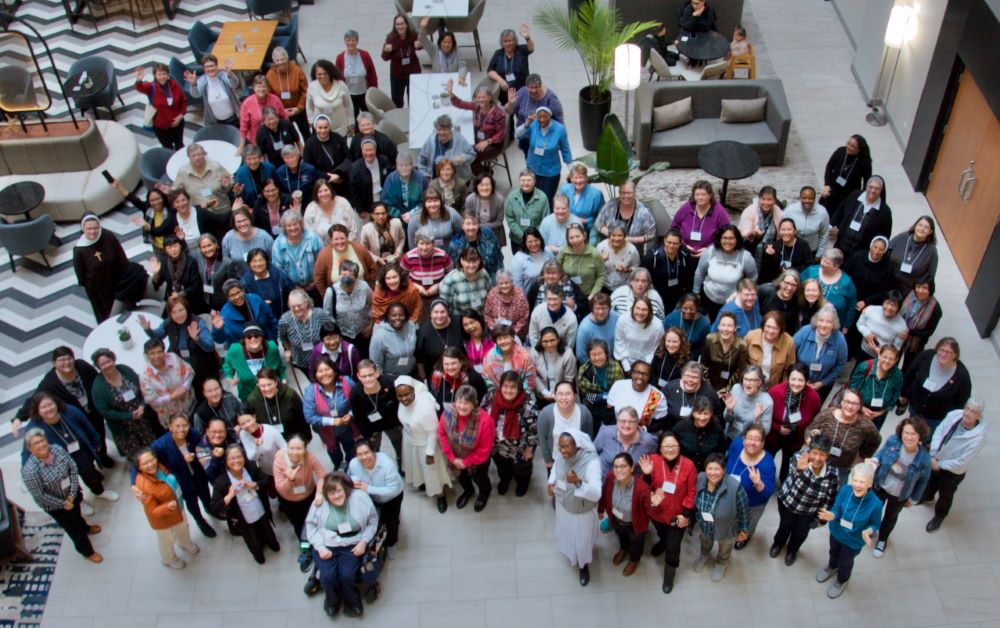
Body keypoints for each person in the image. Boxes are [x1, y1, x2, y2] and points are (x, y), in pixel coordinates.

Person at [22, 431, 103, 562]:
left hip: (71, 493)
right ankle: (87, 551)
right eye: (36, 443)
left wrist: (71, 494)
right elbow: (40, 496)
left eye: (42, 440)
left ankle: (86, 528)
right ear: (30, 448)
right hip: (56, 506)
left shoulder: (57, 449)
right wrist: (64, 503)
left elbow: (73, 467)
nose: (41, 444)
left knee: (77, 515)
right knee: (73, 528)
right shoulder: (29, 471)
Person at [305, 473, 379, 618]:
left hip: (353, 543)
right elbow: (310, 526)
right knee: (327, 577)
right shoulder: (319, 504)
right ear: (326, 494)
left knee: (347, 576)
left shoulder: (360, 498)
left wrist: (364, 542)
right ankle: (332, 601)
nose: (336, 496)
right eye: (331, 493)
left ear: (345, 489)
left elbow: (373, 520)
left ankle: (353, 602)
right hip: (327, 544)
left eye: (339, 491)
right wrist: (320, 547)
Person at [769, 433, 838, 566]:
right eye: (815, 453)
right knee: (784, 526)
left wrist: (821, 519)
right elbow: (795, 478)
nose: (817, 458)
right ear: (809, 451)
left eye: (822, 454)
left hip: (809, 511)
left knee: (800, 533)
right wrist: (800, 470)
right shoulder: (799, 457)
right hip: (790, 503)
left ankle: (792, 551)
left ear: (828, 455)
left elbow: (830, 497)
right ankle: (778, 544)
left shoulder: (832, 474)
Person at [143, 414, 217, 537]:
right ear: (170, 427)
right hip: (181, 481)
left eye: (184, 425)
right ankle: (200, 521)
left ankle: (210, 509)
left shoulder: (193, 434)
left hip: (199, 475)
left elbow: (203, 446)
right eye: (177, 426)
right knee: (192, 502)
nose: (181, 429)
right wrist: (134, 484)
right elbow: (143, 459)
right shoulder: (160, 445)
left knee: (205, 494)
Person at [816, 462, 882, 599]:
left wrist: (868, 531)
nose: (857, 485)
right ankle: (831, 566)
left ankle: (842, 580)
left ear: (869, 484)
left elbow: (876, 524)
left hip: (853, 541)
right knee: (833, 552)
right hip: (836, 532)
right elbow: (836, 508)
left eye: (862, 482)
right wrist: (832, 515)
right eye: (855, 480)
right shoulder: (846, 490)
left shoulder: (876, 504)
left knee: (845, 562)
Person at [868, 417, 931, 558]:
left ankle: (882, 539)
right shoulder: (892, 441)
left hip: (900, 494)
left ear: (920, 436)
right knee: (874, 509)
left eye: (913, 434)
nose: (908, 437)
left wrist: (913, 499)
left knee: (890, 517)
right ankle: (871, 529)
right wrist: (875, 460)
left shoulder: (924, 460)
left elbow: (923, 481)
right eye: (906, 433)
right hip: (881, 484)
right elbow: (882, 452)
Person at [922, 399, 986, 532]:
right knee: (932, 481)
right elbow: (939, 431)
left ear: (978, 416)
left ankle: (939, 516)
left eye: (972, 411)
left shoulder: (978, 438)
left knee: (946, 495)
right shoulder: (954, 415)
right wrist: (933, 453)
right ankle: (928, 497)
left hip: (952, 471)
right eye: (967, 408)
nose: (967, 413)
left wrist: (939, 464)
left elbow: (962, 461)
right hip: (937, 459)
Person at [211, 445, 281, 564]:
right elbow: (214, 507)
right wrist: (229, 495)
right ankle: (258, 554)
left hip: (261, 510)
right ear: (226, 462)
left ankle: (272, 544)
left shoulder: (252, 467)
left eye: (239, 457)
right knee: (251, 537)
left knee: (267, 529)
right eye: (232, 458)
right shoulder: (221, 481)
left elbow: (265, 481)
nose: (236, 460)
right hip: (242, 517)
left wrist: (254, 484)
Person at [549, 429, 601, 586]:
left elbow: (596, 494)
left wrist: (578, 482)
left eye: (566, 447)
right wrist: (550, 482)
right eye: (560, 446)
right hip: (563, 506)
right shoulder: (562, 455)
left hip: (581, 513)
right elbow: (555, 469)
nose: (562, 451)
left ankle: (583, 566)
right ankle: (571, 553)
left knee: (582, 542)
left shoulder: (592, 463)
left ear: (577, 446)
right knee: (567, 534)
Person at [133, 447, 200, 569]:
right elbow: (152, 512)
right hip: (164, 519)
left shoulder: (161, 467)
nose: (150, 464)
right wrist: (167, 507)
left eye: (151, 460)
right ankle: (169, 559)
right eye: (145, 463)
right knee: (166, 541)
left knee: (183, 527)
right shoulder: (144, 485)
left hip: (178, 508)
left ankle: (184, 543)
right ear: (139, 467)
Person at [73, 215, 149, 323]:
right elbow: (80, 273)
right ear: (83, 229)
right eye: (89, 229)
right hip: (99, 289)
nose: (93, 231)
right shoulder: (80, 249)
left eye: (95, 228)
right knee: (108, 313)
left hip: (117, 278)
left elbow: (121, 256)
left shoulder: (107, 236)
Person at [90, 349, 158, 461]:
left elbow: (142, 387)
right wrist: (129, 415)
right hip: (124, 427)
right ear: (98, 367)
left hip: (143, 418)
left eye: (109, 361)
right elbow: (104, 411)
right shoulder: (98, 387)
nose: (107, 365)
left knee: (153, 447)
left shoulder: (124, 369)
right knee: (137, 457)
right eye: (103, 364)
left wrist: (142, 405)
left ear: (113, 359)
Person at [693, 453, 750, 583]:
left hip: (727, 528)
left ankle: (721, 564)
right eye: (710, 469)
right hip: (705, 524)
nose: (713, 473)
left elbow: (744, 510)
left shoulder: (735, 487)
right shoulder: (700, 478)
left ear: (724, 470)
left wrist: (744, 530)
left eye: (717, 469)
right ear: (705, 469)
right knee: (705, 541)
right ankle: (704, 555)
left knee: (725, 548)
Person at [437, 384, 495, 512]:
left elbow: (484, 450)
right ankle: (468, 491)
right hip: (455, 458)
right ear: (455, 401)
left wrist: (465, 462)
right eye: (460, 401)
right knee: (462, 478)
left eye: (467, 403)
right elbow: (441, 434)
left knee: (480, 479)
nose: (462, 406)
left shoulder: (485, 421)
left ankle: (483, 494)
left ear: (474, 404)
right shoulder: (447, 413)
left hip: (477, 462)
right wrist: (453, 458)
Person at [480, 371, 537, 497]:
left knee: (522, 470)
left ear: (519, 388)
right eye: (505, 386)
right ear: (500, 386)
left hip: (520, 448)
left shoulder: (527, 405)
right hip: (498, 447)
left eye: (513, 387)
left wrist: (529, 448)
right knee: (502, 468)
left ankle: (522, 483)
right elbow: (481, 417)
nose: (508, 390)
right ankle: (505, 480)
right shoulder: (490, 398)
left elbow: (534, 429)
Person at [898, 337, 972, 433]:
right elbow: (910, 373)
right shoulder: (926, 356)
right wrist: (903, 394)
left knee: (927, 437)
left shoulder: (962, 375)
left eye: (948, 352)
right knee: (912, 430)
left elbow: (962, 400)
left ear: (955, 355)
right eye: (941, 350)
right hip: (916, 408)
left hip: (935, 418)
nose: (943, 354)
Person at [810, 388, 882, 485]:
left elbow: (876, 439)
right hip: (818, 461)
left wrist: (863, 456)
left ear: (860, 406)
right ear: (841, 402)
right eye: (847, 401)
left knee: (835, 496)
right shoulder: (827, 414)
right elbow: (810, 429)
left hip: (842, 469)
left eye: (855, 403)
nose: (850, 406)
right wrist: (810, 442)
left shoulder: (865, 424)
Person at [766, 363, 822, 482]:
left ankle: (784, 482)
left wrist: (810, 435)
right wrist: (777, 427)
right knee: (767, 461)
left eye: (800, 380)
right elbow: (765, 416)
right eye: (793, 379)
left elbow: (816, 420)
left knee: (788, 464)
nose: (796, 383)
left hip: (796, 438)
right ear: (788, 379)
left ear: (806, 381)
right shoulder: (774, 392)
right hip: (774, 435)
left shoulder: (813, 397)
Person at [599, 452, 651, 578]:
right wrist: (600, 509)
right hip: (616, 520)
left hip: (635, 524)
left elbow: (649, 509)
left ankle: (634, 559)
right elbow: (605, 492)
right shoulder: (611, 477)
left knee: (636, 543)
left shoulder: (641, 487)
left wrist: (654, 503)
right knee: (621, 536)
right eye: (616, 466)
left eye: (623, 466)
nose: (618, 470)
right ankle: (623, 549)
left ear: (632, 468)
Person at [724, 425, 776, 548]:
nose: (752, 442)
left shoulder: (767, 464)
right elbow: (727, 459)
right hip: (731, 496)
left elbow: (768, 491)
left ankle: (744, 538)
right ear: (744, 439)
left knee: (748, 524)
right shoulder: (737, 445)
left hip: (752, 504)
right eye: (749, 438)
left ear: (763, 443)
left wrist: (758, 483)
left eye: (757, 439)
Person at [349, 441, 403, 554]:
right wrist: (355, 482)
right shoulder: (354, 464)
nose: (363, 457)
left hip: (391, 498)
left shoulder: (386, 464)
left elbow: (392, 490)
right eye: (359, 454)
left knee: (391, 521)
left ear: (374, 452)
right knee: (374, 520)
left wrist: (368, 488)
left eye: (366, 452)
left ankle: (391, 543)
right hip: (371, 498)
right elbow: (351, 476)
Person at [693, 225, 757, 321]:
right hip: (709, 298)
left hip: (732, 301)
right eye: (725, 238)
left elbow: (753, 277)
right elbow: (699, 272)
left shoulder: (745, 257)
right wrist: (696, 292)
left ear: (737, 239)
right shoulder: (710, 252)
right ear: (720, 239)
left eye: (731, 238)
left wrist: (742, 294)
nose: (728, 241)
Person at [304, 356, 356, 470]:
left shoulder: (347, 382)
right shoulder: (310, 391)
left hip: (348, 427)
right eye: (320, 371)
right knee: (334, 453)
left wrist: (351, 414)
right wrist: (333, 421)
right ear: (315, 374)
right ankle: (338, 466)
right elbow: (309, 417)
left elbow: (358, 402)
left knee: (352, 451)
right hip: (326, 432)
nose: (324, 374)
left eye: (327, 369)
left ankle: (352, 468)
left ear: (334, 370)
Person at [273, 434, 327, 540]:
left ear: (305, 449)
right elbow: (280, 488)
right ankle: (305, 547)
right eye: (291, 448)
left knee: (316, 521)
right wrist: (290, 480)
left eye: (299, 448)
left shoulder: (309, 457)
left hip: (310, 495)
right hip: (290, 502)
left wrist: (319, 492)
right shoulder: (279, 462)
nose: (294, 452)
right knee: (299, 526)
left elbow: (322, 474)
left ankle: (319, 543)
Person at [348, 360, 403, 463]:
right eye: (364, 376)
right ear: (358, 376)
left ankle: (401, 461)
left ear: (377, 373)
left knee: (398, 442)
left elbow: (398, 404)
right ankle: (377, 464)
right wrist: (367, 435)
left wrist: (400, 423)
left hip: (391, 421)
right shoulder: (355, 394)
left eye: (370, 375)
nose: (368, 379)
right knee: (374, 447)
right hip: (372, 426)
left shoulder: (389, 383)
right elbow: (359, 418)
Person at [446, 81, 506, 176]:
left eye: (483, 97)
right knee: (463, 149)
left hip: (493, 144)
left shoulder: (498, 113)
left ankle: (483, 175)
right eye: (478, 97)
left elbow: (501, 134)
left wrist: (487, 142)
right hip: (479, 139)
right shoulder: (476, 105)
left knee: (469, 155)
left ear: (490, 98)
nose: (480, 100)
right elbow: (461, 104)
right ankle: (483, 171)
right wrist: (451, 94)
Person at [792, 305, 848, 402]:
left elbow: (840, 364)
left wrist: (822, 383)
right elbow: (790, 352)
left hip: (823, 386)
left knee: (814, 410)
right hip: (798, 381)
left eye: (828, 322)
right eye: (821, 320)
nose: (824, 325)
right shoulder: (805, 331)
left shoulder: (839, 339)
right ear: (816, 321)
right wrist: (799, 376)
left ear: (834, 324)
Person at [517, 106, 572, 204]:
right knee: (532, 199)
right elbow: (517, 135)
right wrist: (526, 124)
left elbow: (565, 150)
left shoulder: (560, 129)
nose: (542, 119)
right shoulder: (533, 124)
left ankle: (547, 218)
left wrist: (572, 170)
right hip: (532, 169)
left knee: (546, 200)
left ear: (550, 116)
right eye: (539, 117)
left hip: (550, 172)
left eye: (545, 117)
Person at [831, 175, 893, 261]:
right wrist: (832, 225)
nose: (873, 190)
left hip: (861, 253)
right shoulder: (855, 195)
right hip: (841, 245)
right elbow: (841, 210)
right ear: (866, 186)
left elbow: (884, 235)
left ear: (881, 191)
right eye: (870, 187)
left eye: (877, 188)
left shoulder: (885, 211)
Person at [843, 237, 895, 332]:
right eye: (875, 247)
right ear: (870, 246)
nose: (876, 251)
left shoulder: (888, 267)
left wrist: (866, 302)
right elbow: (845, 276)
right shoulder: (857, 256)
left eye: (881, 249)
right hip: (850, 297)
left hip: (870, 304)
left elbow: (885, 290)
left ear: (885, 252)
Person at [222, 324, 285, 401]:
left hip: (270, 392)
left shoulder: (272, 348)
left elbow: (280, 365)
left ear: (261, 337)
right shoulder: (235, 350)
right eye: (249, 337)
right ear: (244, 339)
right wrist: (229, 376)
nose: (253, 339)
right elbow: (227, 364)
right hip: (248, 396)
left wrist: (283, 379)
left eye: (256, 335)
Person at [312, 224, 377, 297]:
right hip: (338, 298)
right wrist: (327, 296)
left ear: (347, 238)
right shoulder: (324, 255)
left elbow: (372, 268)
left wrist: (370, 287)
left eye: (342, 238)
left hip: (363, 294)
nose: (340, 242)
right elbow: (318, 278)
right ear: (331, 240)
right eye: (336, 239)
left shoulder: (359, 249)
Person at [505, 73, 564, 153]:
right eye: (531, 88)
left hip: (543, 136)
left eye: (536, 87)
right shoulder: (522, 92)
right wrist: (510, 103)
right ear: (526, 87)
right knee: (529, 158)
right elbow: (508, 111)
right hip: (524, 134)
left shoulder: (551, 98)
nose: (534, 90)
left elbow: (560, 121)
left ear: (541, 86)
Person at [245, 368, 310, 439]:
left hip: (292, 439)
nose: (267, 389)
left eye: (269, 384)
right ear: (258, 385)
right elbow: (250, 423)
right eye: (262, 386)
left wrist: (305, 438)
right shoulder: (252, 400)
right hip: (268, 442)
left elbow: (302, 418)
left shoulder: (290, 395)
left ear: (276, 382)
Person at [279, 288, 333, 373]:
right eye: (293, 306)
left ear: (306, 302)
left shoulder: (319, 314)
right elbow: (283, 337)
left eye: (299, 305)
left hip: (322, 358)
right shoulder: (285, 320)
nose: (296, 309)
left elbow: (331, 331)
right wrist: (287, 350)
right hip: (300, 360)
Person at [211, 279, 279, 346]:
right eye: (232, 295)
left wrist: (273, 341)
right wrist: (218, 329)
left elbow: (272, 321)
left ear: (243, 290)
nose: (237, 297)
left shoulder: (256, 299)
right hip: (242, 352)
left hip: (266, 343)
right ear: (227, 297)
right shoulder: (225, 314)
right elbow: (220, 340)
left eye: (238, 292)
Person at [671, 180, 730, 258]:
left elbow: (727, 235)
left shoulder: (719, 212)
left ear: (710, 195)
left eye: (703, 194)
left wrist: (710, 248)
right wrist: (682, 245)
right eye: (697, 194)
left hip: (710, 254)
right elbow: (674, 227)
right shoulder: (687, 207)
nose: (700, 197)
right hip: (684, 251)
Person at [594, 182, 657, 254]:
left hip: (633, 252)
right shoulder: (610, 205)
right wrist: (613, 235)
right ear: (619, 193)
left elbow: (651, 235)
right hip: (610, 250)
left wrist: (630, 240)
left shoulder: (644, 212)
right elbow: (598, 223)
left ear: (634, 193)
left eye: (629, 193)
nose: (626, 196)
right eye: (623, 193)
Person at [577, 339, 624, 434]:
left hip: (611, 408)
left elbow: (619, 392)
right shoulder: (584, 370)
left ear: (606, 354)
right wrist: (605, 395)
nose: (597, 358)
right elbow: (585, 395)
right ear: (589, 356)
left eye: (600, 354)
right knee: (592, 433)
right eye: (593, 355)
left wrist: (601, 397)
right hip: (591, 407)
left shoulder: (616, 368)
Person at [134, 63, 186, 149]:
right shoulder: (151, 87)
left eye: (164, 74)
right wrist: (139, 80)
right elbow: (140, 88)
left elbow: (183, 100)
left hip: (177, 124)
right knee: (167, 148)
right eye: (159, 74)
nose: (162, 77)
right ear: (155, 75)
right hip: (161, 127)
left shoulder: (174, 84)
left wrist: (181, 115)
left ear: (168, 74)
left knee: (179, 145)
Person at [593, 407, 657, 477]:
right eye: (623, 421)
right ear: (617, 422)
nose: (627, 425)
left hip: (632, 484)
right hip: (604, 483)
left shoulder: (648, 441)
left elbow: (656, 459)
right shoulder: (605, 433)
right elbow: (592, 453)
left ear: (637, 423)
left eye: (631, 422)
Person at [643, 229, 695, 314]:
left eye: (675, 243)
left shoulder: (685, 254)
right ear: (664, 240)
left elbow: (690, 275)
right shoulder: (653, 256)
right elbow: (644, 274)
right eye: (669, 242)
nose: (671, 246)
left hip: (678, 293)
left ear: (680, 243)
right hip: (658, 293)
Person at [822, 135, 872, 222]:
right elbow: (829, 167)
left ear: (859, 149)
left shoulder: (865, 162)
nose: (848, 147)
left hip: (849, 194)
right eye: (848, 143)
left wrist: (862, 197)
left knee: (840, 218)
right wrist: (827, 184)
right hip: (833, 189)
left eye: (852, 146)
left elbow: (867, 181)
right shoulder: (840, 151)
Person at [663, 362, 723, 434]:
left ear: (700, 379)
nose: (690, 380)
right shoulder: (670, 387)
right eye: (687, 376)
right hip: (672, 431)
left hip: (698, 433)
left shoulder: (709, 392)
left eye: (695, 377)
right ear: (682, 376)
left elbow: (717, 415)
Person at [607, 360, 667, 431]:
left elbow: (660, 422)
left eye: (645, 374)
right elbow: (609, 411)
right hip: (617, 430)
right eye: (637, 372)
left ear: (649, 377)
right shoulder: (618, 386)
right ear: (631, 373)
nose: (640, 377)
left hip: (641, 434)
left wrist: (644, 429)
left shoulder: (657, 396)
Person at [238, 74, 288, 157]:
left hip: (277, 138)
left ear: (268, 88)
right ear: (254, 88)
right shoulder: (246, 104)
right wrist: (241, 146)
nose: (261, 89)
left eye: (264, 86)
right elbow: (243, 128)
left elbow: (284, 118)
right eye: (259, 87)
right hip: (257, 142)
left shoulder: (275, 99)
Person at [303, 115, 352, 197]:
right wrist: (328, 177)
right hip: (322, 183)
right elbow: (308, 167)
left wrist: (338, 175)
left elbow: (348, 158)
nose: (323, 131)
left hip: (341, 179)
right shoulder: (309, 144)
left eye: (325, 127)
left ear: (329, 127)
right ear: (315, 128)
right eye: (320, 128)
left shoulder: (337, 138)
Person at [266, 46, 310, 139]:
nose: (280, 62)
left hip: (299, 111)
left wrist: (299, 108)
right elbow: (270, 96)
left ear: (287, 59)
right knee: (288, 137)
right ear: (274, 61)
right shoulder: (270, 75)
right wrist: (280, 110)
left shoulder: (297, 71)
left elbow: (305, 91)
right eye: (277, 60)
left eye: (282, 59)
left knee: (306, 134)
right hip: (282, 113)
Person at [720, 366, 774, 442]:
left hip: (750, 441)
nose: (747, 383)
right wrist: (729, 410)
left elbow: (765, 432)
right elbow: (727, 419)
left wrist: (757, 420)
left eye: (751, 380)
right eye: (745, 379)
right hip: (730, 437)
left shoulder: (767, 401)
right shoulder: (736, 389)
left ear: (759, 382)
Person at [303, 59, 354, 137]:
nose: (322, 76)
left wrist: (351, 123)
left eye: (325, 73)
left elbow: (349, 106)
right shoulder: (312, 86)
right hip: (321, 129)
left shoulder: (341, 85)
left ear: (330, 73)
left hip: (340, 127)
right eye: (319, 74)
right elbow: (309, 107)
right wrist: (311, 121)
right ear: (315, 74)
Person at [674, 397, 727, 471]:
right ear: (693, 413)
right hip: (683, 469)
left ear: (711, 413)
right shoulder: (681, 427)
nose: (702, 418)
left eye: (706, 414)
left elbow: (721, 453)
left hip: (707, 471)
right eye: (699, 413)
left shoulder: (717, 429)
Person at [888, 215, 939, 293]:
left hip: (910, 288)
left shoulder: (932, 251)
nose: (922, 229)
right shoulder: (901, 237)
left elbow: (930, 276)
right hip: (889, 280)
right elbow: (886, 253)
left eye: (926, 227)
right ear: (915, 226)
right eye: (920, 225)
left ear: (930, 232)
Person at [336, 30, 379, 121]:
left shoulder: (365, 55)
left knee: (369, 118)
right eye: (348, 40)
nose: (351, 43)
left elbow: (372, 74)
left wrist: (374, 91)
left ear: (357, 41)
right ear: (345, 41)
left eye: (353, 40)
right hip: (349, 95)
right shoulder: (340, 58)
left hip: (364, 93)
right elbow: (337, 79)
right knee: (353, 119)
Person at [505, 170, 552, 254]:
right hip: (517, 240)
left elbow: (545, 220)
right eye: (523, 180)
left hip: (536, 241)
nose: (526, 183)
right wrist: (522, 236)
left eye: (529, 180)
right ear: (519, 181)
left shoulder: (542, 198)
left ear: (534, 182)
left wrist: (532, 237)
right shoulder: (512, 197)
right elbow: (510, 218)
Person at [614, 297, 664, 373]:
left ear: (649, 311)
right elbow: (619, 343)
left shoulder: (657, 325)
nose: (640, 312)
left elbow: (655, 349)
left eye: (644, 309)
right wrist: (627, 368)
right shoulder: (623, 319)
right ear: (632, 308)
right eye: (638, 308)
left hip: (647, 364)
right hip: (625, 363)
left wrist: (644, 367)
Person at [700, 312, 748, 392]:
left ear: (735, 328)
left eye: (729, 326)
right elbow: (704, 364)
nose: (725, 329)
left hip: (730, 387)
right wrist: (707, 386)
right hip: (708, 384)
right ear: (718, 326)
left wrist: (726, 390)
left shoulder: (741, 345)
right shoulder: (710, 339)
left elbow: (739, 371)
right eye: (723, 325)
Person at [899, 280, 942, 370]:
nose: (920, 290)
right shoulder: (908, 294)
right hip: (898, 335)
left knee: (908, 367)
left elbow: (929, 332)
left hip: (916, 343)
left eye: (924, 288)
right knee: (891, 360)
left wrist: (909, 332)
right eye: (918, 286)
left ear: (930, 289)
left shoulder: (936, 308)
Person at [415, 300, 464, 378]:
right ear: (430, 314)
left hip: (459, 370)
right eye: (436, 312)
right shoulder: (424, 330)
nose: (439, 315)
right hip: (434, 373)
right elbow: (419, 356)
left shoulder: (458, 323)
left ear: (448, 312)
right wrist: (422, 373)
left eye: (442, 312)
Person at [439, 246, 493, 317]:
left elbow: (490, 296)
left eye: (474, 262)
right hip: (460, 321)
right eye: (468, 261)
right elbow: (444, 306)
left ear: (479, 261)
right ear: (461, 261)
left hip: (481, 320)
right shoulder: (450, 279)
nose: (471, 265)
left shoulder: (483, 274)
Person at [745, 311, 796, 385]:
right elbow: (741, 362)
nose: (771, 331)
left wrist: (783, 387)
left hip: (774, 386)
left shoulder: (788, 342)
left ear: (780, 329)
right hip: (750, 384)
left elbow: (790, 369)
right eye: (768, 326)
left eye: (775, 328)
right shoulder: (751, 336)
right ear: (763, 326)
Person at [370, 302, 419, 379]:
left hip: (411, 373)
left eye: (401, 315)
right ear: (388, 316)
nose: (398, 318)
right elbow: (376, 363)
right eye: (394, 315)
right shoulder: (379, 336)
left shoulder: (411, 326)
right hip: (390, 377)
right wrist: (382, 382)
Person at [482, 324, 538, 391]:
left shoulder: (524, 356)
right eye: (499, 339)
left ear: (512, 337)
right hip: (498, 394)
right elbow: (486, 378)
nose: (503, 341)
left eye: (506, 337)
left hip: (522, 394)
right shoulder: (489, 356)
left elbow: (530, 380)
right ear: (496, 341)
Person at [382, 14, 422, 107]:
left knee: (414, 100)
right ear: (394, 25)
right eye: (397, 24)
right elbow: (385, 57)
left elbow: (419, 46)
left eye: (402, 24)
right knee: (397, 102)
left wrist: (420, 45)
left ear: (406, 24)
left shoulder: (413, 35)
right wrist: (386, 51)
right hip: (397, 75)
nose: (400, 26)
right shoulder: (390, 38)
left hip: (413, 73)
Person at [304, 179, 360, 245]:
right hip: (322, 251)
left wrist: (345, 245)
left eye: (326, 190)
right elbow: (308, 235)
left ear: (331, 190)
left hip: (347, 246)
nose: (324, 194)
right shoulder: (311, 209)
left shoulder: (343, 203)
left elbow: (353, 229)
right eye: (320, 192)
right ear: (316, 194)